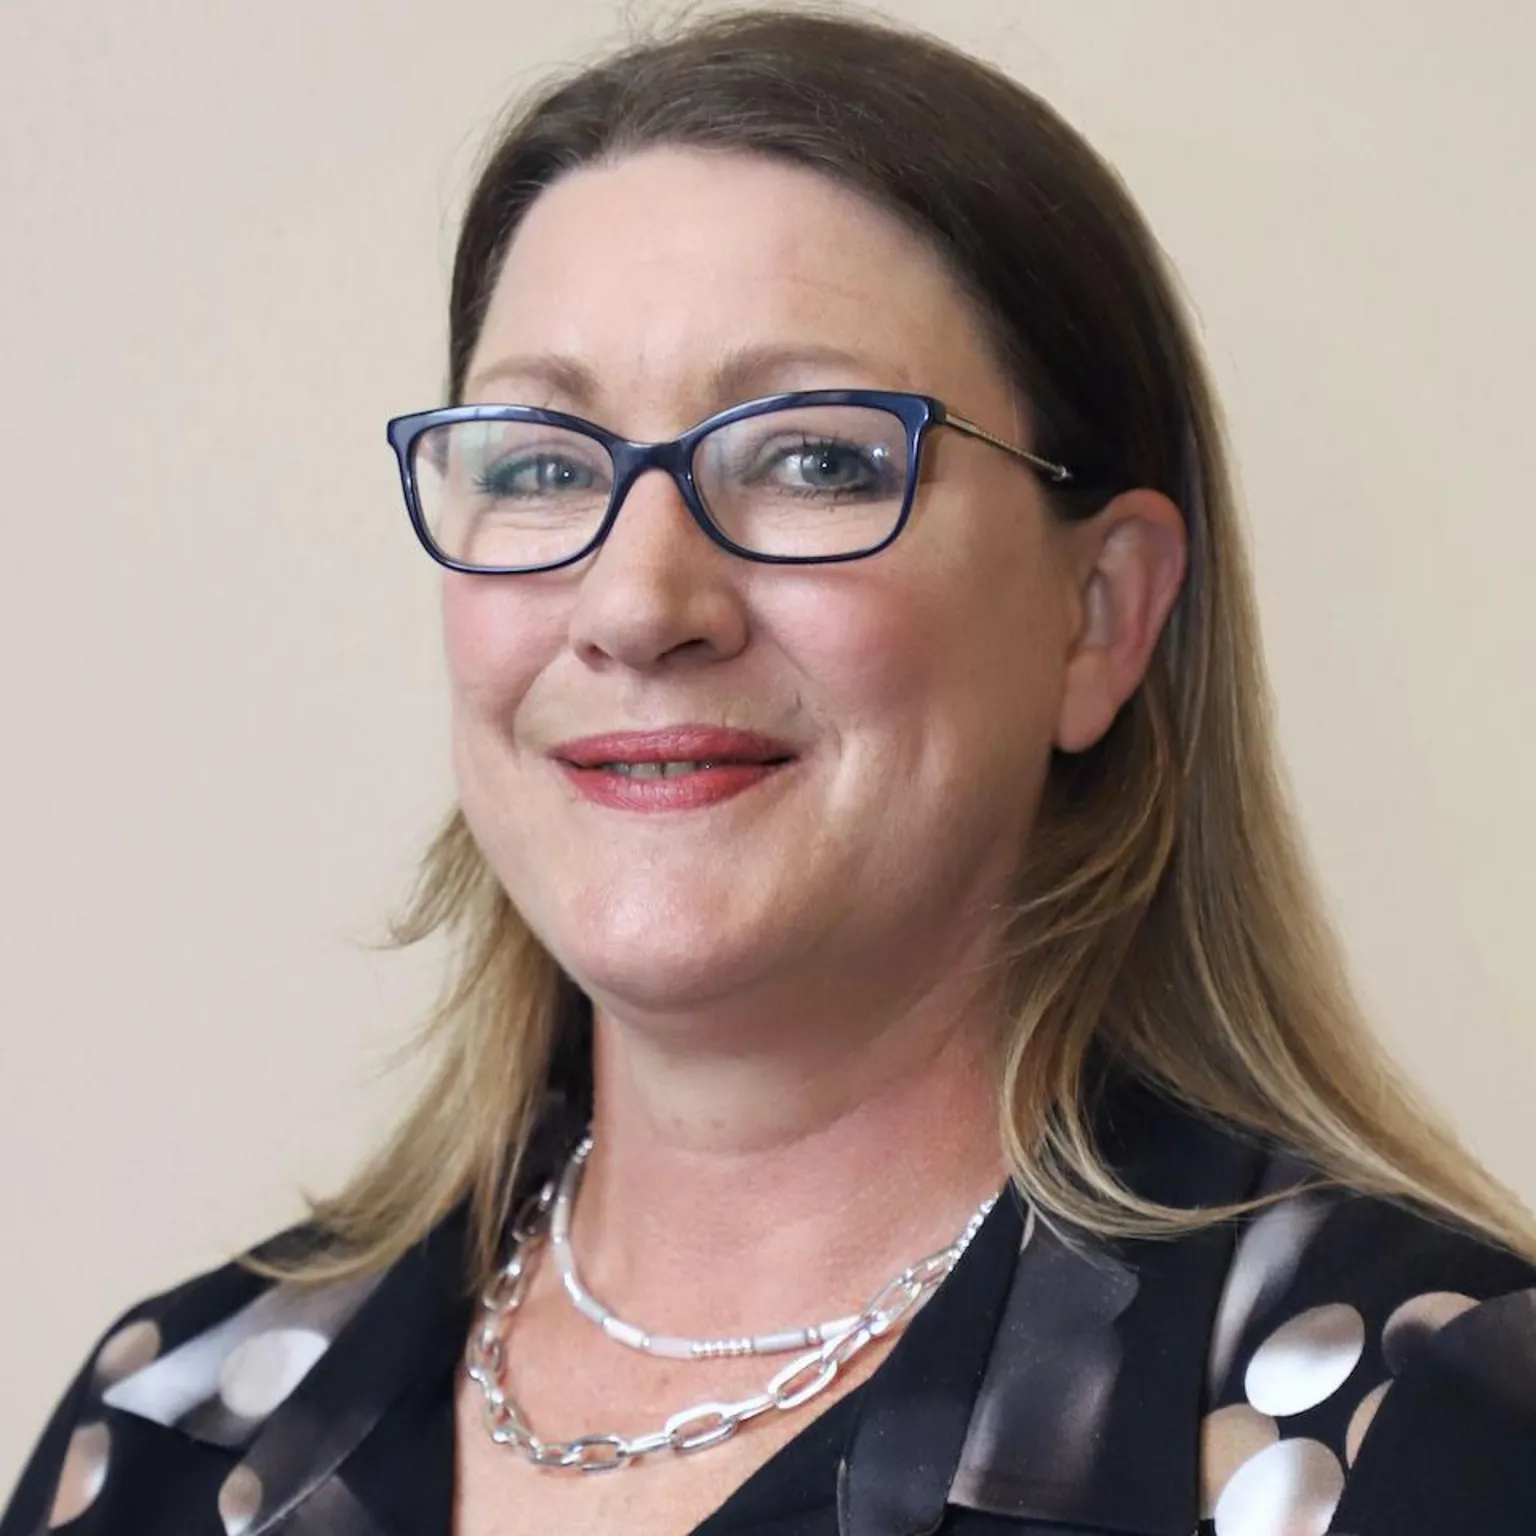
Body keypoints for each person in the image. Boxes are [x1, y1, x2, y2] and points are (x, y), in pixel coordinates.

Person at [5, 9, 1535, 1536]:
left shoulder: (1415, 1436)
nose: (638, 605)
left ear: (1100, 616)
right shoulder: (168, 1437)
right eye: (542, 465)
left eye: (816, 460)